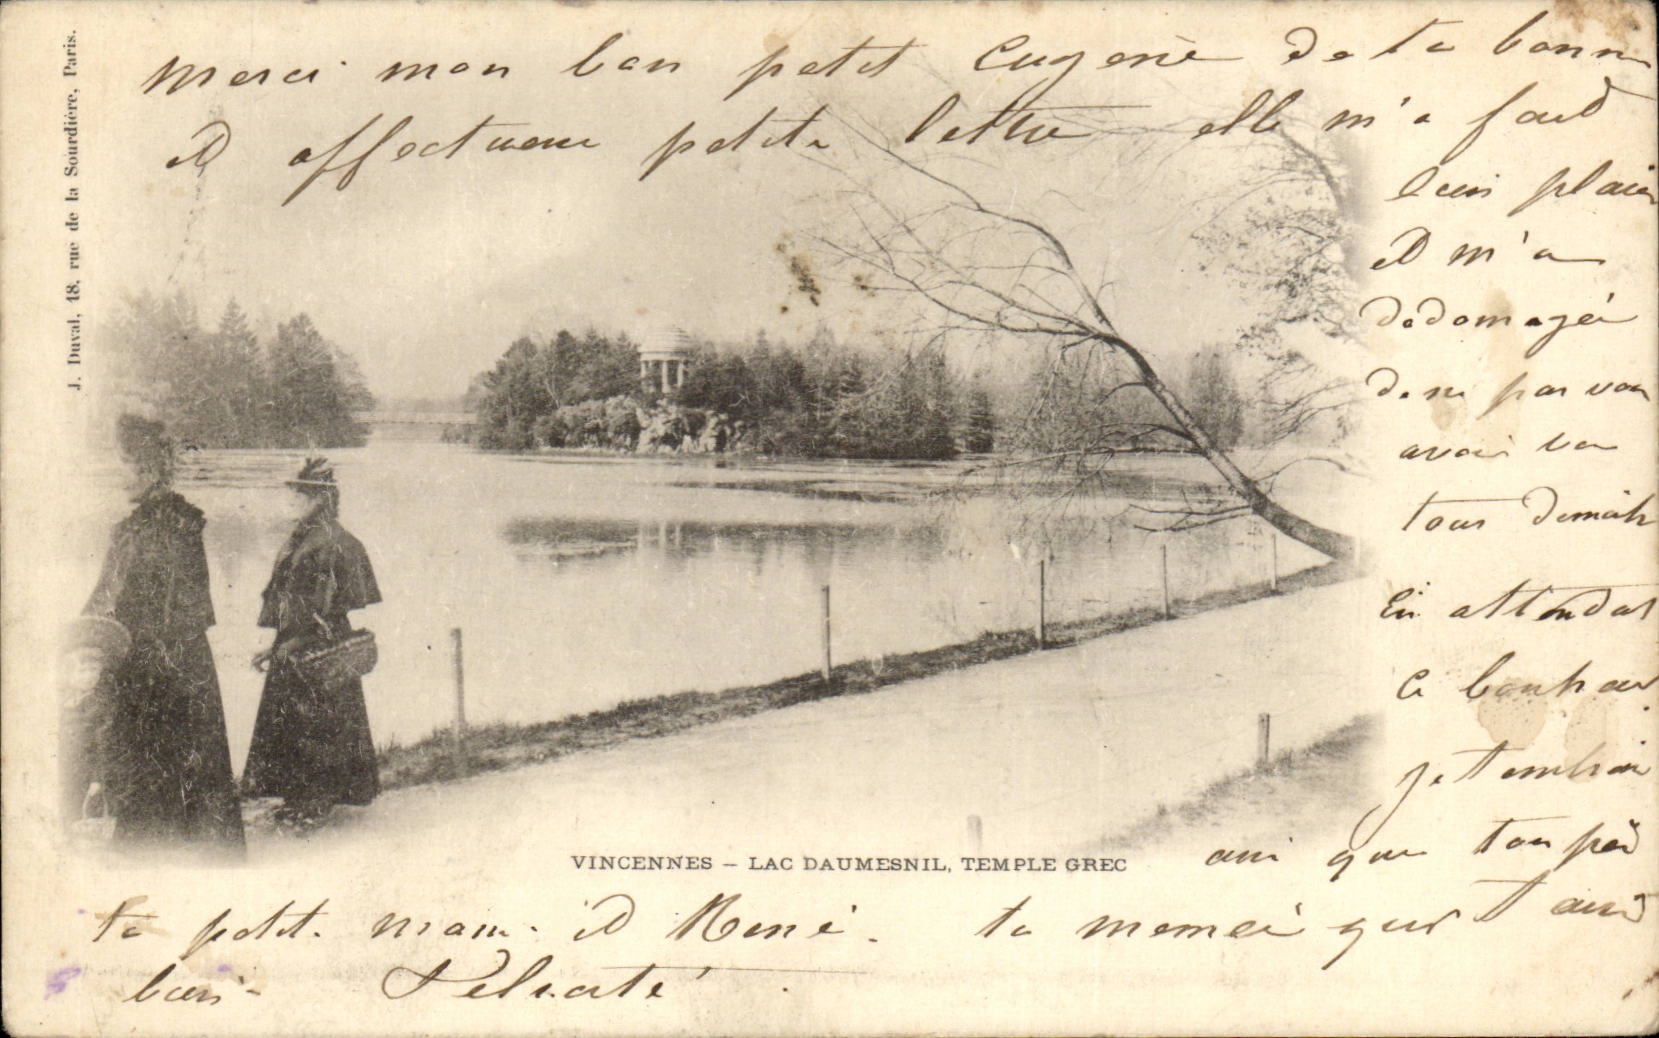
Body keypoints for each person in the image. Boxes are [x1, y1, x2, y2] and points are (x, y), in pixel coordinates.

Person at [71, 414, 246, 859]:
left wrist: (119, 649)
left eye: (127, 465)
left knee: (165, 761)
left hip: (166, 663)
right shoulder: (151, 527)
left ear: (149, 469)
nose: (120, 476)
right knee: (160, 769)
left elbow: (164, 604)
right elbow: (109, 597)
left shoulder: (167, 528)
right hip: (162, 660)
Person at [243, 457, 382, 831]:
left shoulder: (330, 542)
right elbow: (294, 603)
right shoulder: (307, 537)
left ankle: (315, 803)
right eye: (293, 495)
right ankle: (298, 800)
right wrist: (276, 645)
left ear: (318, 500)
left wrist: (287, 645)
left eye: (298, 496)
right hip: (302, 642)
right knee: (300, 724)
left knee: (318, 724)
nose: (291, 502)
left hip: (318, 647)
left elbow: (321, 606)